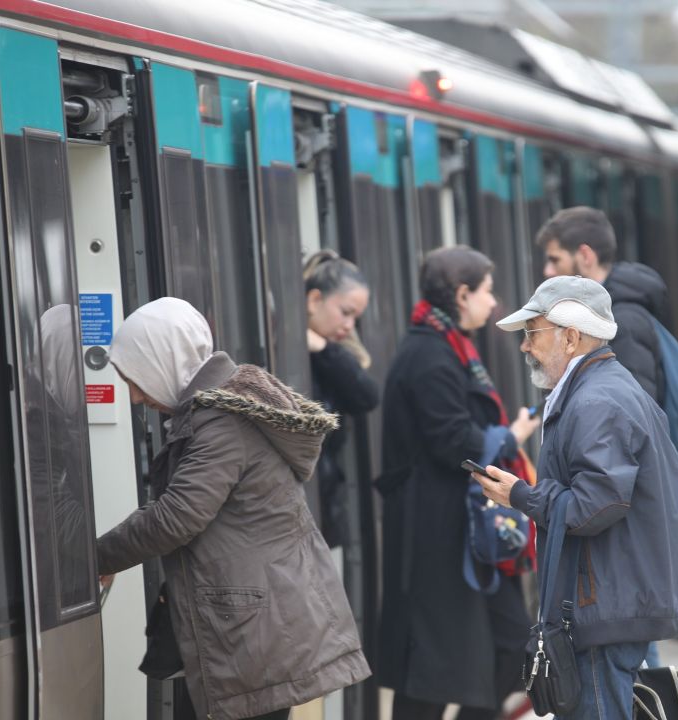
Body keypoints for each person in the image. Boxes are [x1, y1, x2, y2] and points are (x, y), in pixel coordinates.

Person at [95, 297, 370, 720]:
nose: (134, 397)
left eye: (135, 378)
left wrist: (96, 556)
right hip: (257, 624)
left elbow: (177, 516)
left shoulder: (221, 422)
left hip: (251, 631)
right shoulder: (218, 413)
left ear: (163, 361)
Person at [471, 275, 678, 719]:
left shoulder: (597, 401)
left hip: (603, 606)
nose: (525, 347)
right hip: (608, 600)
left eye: (533, 334)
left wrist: (523, 497)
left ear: (570, 338)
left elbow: (596, 505)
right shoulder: (602, 389)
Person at [377, 247, 540, 720]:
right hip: (439, 533)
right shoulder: (430, 355)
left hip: (463, 528)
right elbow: (452, 440)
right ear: (462, 294)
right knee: (432, 668)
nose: (494, 302)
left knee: (508, 645)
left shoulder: (447, 347)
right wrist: (509, 436)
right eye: (487, 291)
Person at [538, 206, 667, 404]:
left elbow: (633, 415)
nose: (548, 271)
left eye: (555, 260)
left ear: (585, 256)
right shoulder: (601, 315)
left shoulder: (624, 322)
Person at [303, 251, 379, 548]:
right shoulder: (283, 349)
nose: (349, 326)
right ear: (313, 300)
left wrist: (322, 348)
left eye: (355, 318)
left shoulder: (332, 351)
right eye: (345, 312)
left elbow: (366, 395)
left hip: (324, 497)